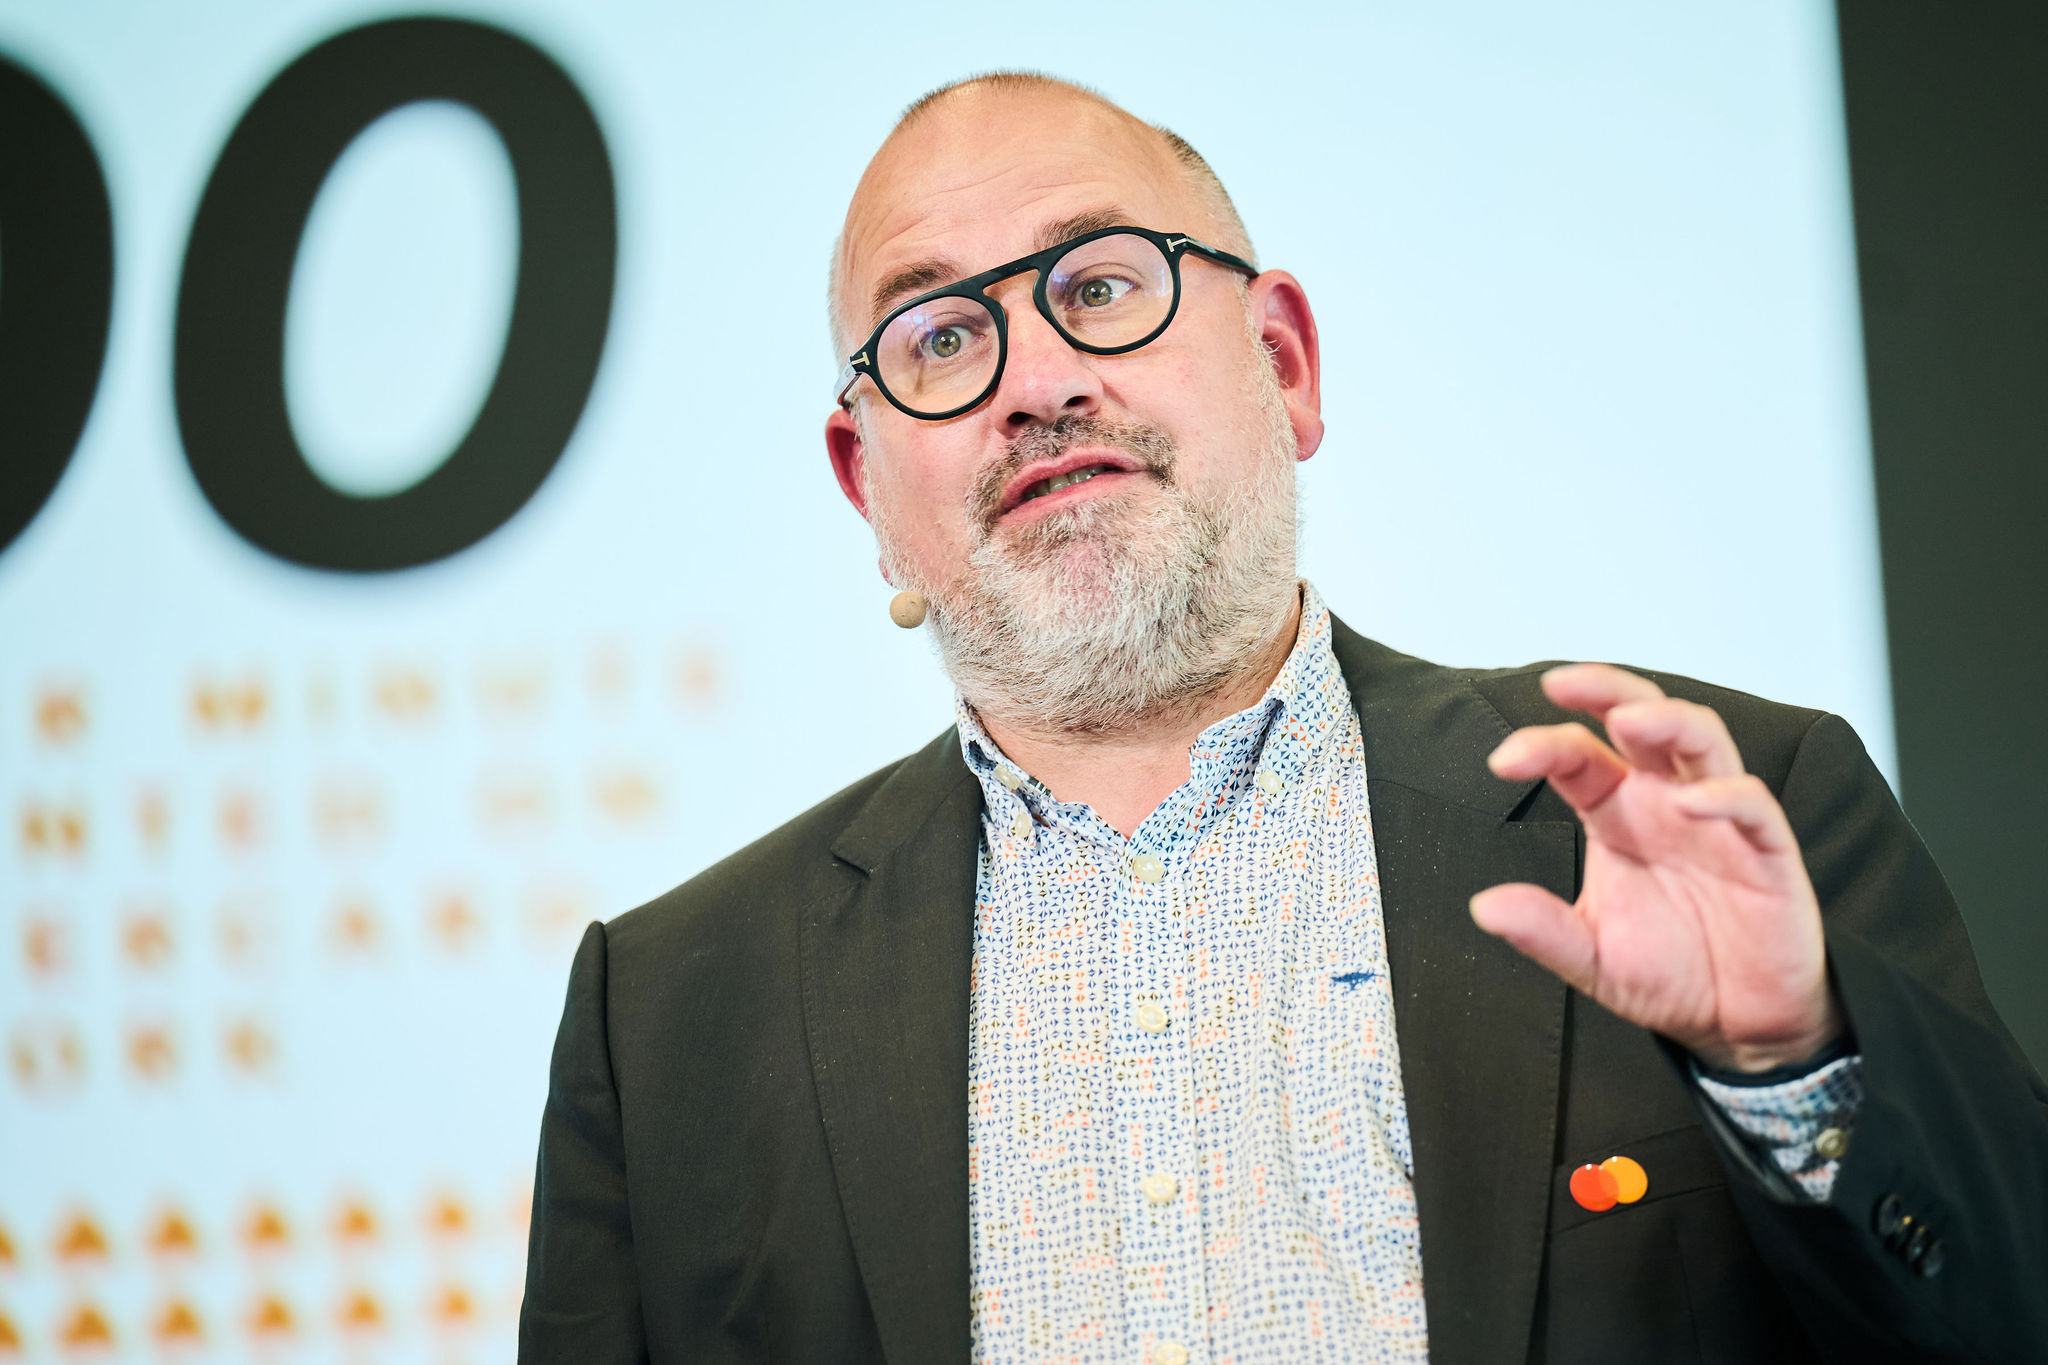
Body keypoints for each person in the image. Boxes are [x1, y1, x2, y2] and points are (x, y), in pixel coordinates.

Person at [518, 73, 2048, 1364]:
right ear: (868, 489)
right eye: (940, 339)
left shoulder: (1707, 821)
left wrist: (1789, 1065)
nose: (1035, 382)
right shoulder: (666, 1025)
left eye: (1097, 287)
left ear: (1285, 364)